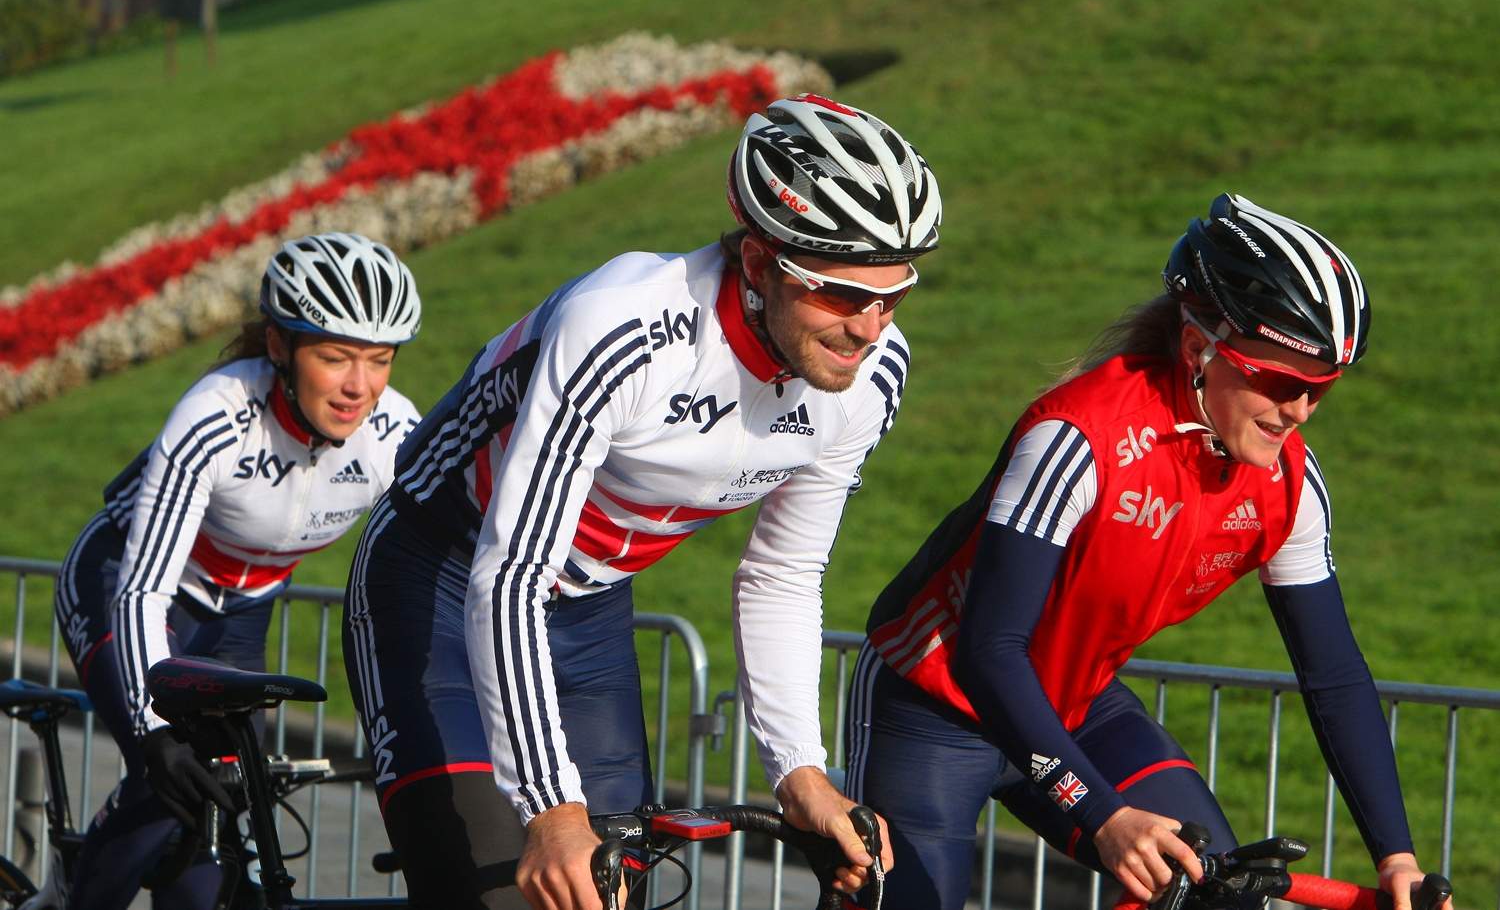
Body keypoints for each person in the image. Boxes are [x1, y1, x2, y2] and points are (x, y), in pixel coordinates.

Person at [342, 93, 941, 909]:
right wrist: (550, 810)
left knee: (612, 895)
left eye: (892, 296)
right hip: (442, 577)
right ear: (758, 263)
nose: (869, 329)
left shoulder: (871, 376)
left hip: (589, 608)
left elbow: (784, 574)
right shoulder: (623, 329)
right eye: (839, 294)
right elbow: (511, 575)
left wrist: (801, 773)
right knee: (500, 893)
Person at [849, 193, 1447, 910]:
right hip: (937, 703)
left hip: (1074, 703)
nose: (1298, 412)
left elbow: (1334, 674)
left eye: (1320, 391)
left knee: (1216, 894)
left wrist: (1397, 857)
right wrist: (1103, 817)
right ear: (1198, 351)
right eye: (1282, 383)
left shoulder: (1289, 482)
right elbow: (989, 650)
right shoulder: (1079, 438)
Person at [55, 233, 423, 910]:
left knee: (221, 798)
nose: (359, 387)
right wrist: (152, 730)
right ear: (280, 346)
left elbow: (438, 570)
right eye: (334, 357)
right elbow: (141, 591)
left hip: (242, 611)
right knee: (167, 771)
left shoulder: (394, 434)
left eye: (379, 360)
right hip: (126, 584)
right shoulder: (217, 416)